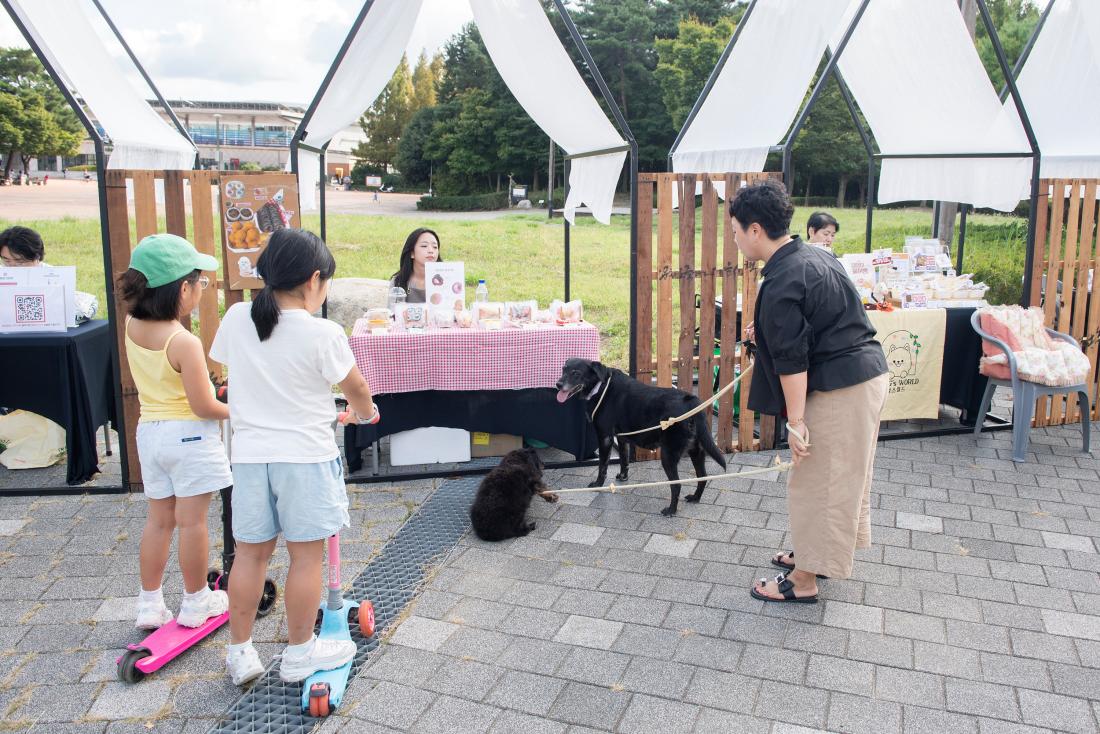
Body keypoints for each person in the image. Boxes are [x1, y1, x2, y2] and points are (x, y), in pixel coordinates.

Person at [210, 228, 378, 686]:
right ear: (313, 280)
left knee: (249, 556)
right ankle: (301, 654)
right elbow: (356, 389)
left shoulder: (237, 317)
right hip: (303, 458)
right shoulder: (324, 332)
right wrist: (364, 413)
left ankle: (240, 652)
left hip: (247, 458)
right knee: (306, 560)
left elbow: (239, 371)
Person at [731, 181, 888, 604]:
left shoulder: (782, 280)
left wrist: (796, 424)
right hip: (863, 375)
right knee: (838, 477)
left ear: (756, 230)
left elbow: (793, 360)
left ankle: (803, 581)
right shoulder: (812, 255)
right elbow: (818, 319)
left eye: (736, 232)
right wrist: (762, 328)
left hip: (843, 385)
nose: (736, 240)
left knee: (821, 481)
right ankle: (815, 556)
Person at [116, 234, 232, 631]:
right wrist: (238, 411)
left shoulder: (131, 325)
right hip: (189, 437)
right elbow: (204, 406)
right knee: (193, 522)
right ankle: (197, 600)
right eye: (200, 282)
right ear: (183, 288)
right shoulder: (183, 340)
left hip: (149, 433)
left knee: (159, 521)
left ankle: (149, 604)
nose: (202, 288)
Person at [389, 227, 441, 304]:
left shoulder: (446, 279)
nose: (431, 251)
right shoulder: (399, 281)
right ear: (412, 253)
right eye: (424, 246)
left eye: (435, 247)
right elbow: (393, 312)